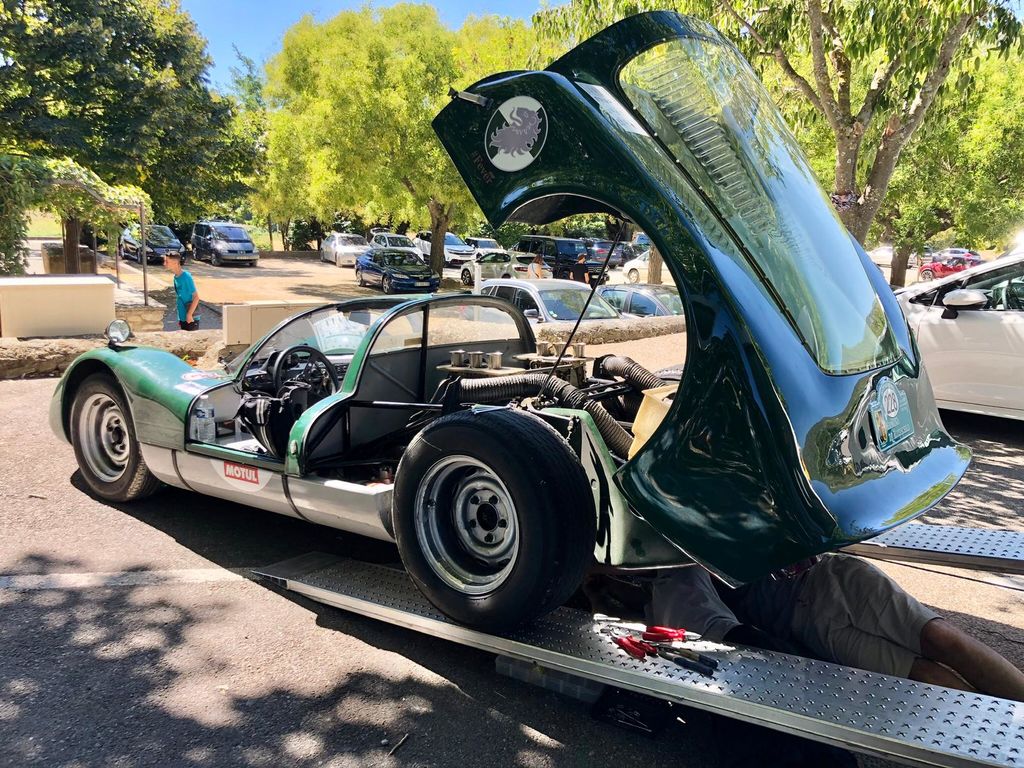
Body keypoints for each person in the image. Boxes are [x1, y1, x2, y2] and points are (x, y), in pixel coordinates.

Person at [640, 555, 1024, 701]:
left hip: (830, 577)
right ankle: (1001, 739)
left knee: (941, 638)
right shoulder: (671, 567)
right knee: (920, 674)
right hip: (810, 626)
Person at [165, 252, 200, 330]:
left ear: (175, 263)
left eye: (167, 261)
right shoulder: (176, 277)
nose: (164, 263)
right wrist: (180, 318)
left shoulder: (186, 277)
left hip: (190, 318)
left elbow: (196, 297)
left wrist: (189, 314)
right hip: (183, 317)